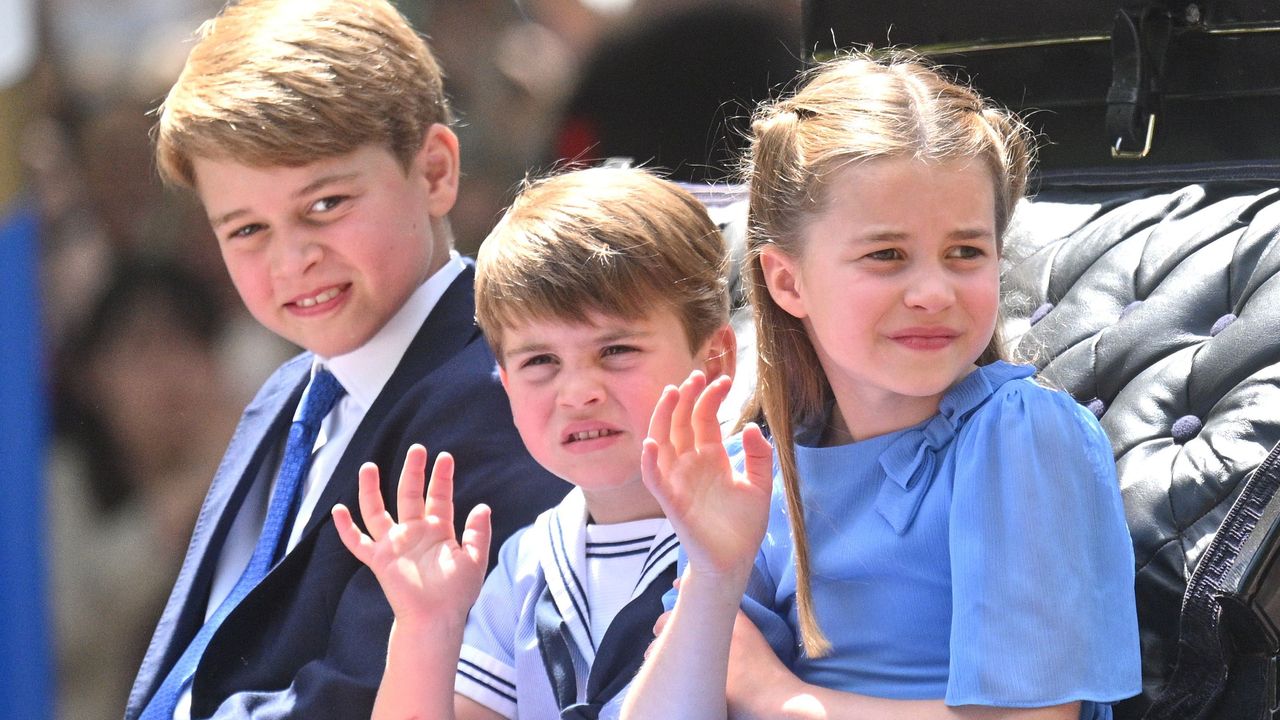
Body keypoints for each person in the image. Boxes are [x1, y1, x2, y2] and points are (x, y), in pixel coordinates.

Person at [623, 51, 1142, 720]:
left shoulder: (1017, 437)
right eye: (886, 255)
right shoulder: (757, 471)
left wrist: (777, 696)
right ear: (787, 282)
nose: (932, 292)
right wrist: (715, 580)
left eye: (966, 252)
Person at [125, 1, 568, 718]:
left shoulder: (499, 394)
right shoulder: (291, 393)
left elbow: (363, 695)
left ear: (433, 172)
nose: (292, 260)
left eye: (325, 204)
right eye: (246, 230)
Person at [330, 166, 736, 719]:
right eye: (540, 361)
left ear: (713, 360)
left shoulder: (775, 525)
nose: (579, 392)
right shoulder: (527, 564)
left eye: (616, 350)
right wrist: (427, 626)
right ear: (503, 381)